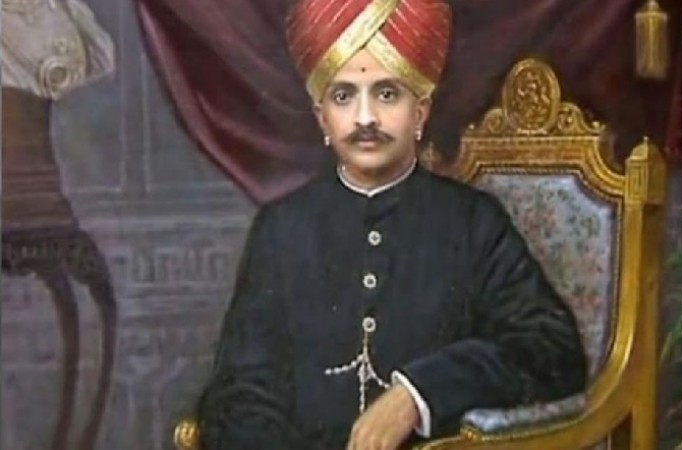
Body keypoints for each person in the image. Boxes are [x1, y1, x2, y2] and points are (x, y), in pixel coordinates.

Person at [196, 0, 587, 449]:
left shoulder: (473, 222)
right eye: (344, 96)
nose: (366, 118)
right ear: (322, 117)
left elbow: (552, 348)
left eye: (387, 94)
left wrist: (417, 394)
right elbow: (241, 390)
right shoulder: (281, 228)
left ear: (420, 111)